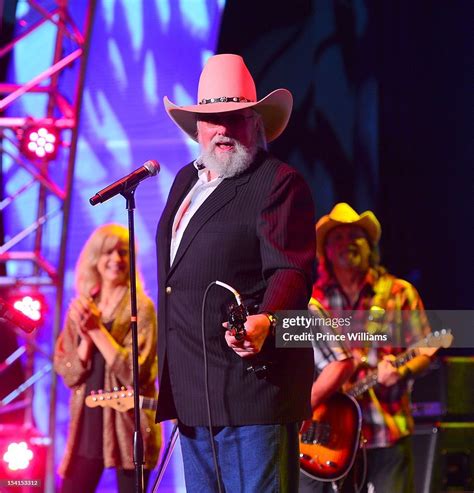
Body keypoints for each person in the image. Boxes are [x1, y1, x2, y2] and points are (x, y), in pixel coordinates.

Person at [155, 53, 316, 492]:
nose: (223, 129)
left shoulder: (277, 182)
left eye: (234, 117)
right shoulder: (185, 183)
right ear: (198, 129)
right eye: (212, 119)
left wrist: (268, 318)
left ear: (256, 123)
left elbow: (291, 270)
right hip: (194, 391)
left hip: (253, 392)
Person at [302, 202, 432, 493]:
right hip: (324, 437)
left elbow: (426, 348)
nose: (347, 243)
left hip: (386, 429)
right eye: (337, 237)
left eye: (355, 236)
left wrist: (402, 371)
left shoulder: (398, 293)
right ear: (325, 253)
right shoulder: (311, 301)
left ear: (370, 246)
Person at [54, 224, 161, 493]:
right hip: (88, 422)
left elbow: (138, 374)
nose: (116, 259)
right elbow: (67, 371)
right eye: (109, 252)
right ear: (95, 258)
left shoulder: (141, 308)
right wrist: (86, 340)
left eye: (123, 253)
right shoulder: (82, 306)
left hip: (128, 426)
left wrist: (96, 330)